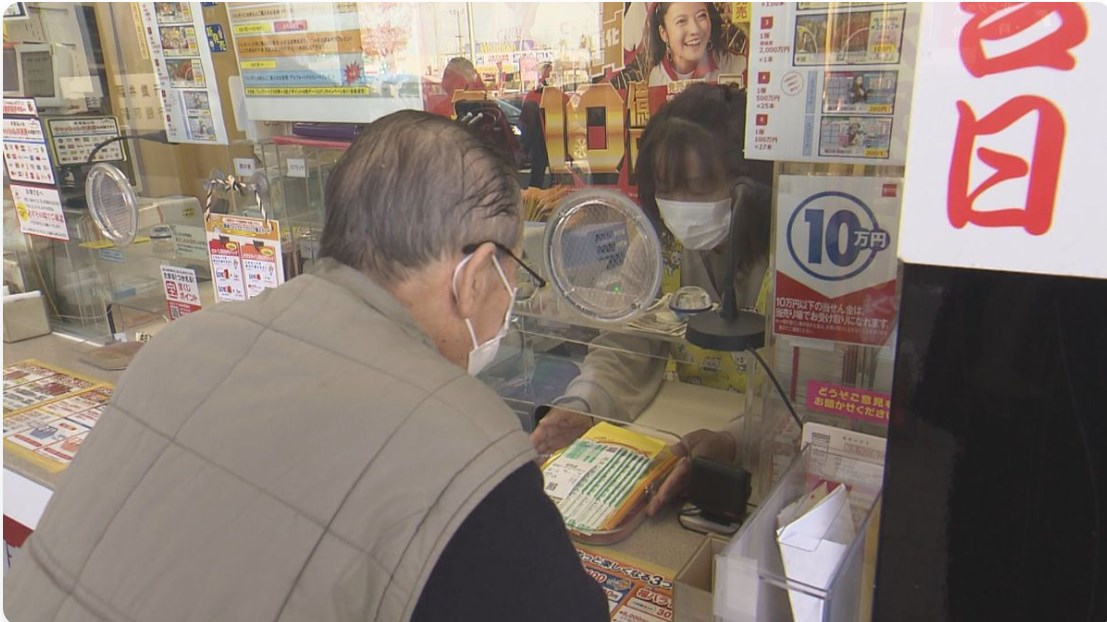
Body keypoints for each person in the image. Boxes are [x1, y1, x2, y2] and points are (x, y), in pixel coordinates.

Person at [5, 111, 608, 622]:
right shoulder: (465, 441)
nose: (510, 296)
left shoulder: (181, 343)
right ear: (474, 276)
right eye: (514, 274)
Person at [531, 83, 773, 517]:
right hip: (673, 434)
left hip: (766, 459)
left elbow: (804, 396)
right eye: (666, 188)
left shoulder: (787, 261)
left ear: (749, 185)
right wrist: (585, 405)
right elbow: (626, 343)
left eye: (697, 187)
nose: (680, 206)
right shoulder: (658, 246)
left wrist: (736, 441)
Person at [645, 2, 748, 87]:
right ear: (664, 33)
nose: (695, 29)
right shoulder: (657, 77)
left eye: (701, 16)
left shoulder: (738, 66)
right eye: (681, 21)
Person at [521, 62, 553, 188]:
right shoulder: (533, 96)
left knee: (545, 173)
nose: (549, 76)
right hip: (541, 140)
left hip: (550, 138)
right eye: (548, 73)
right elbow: (525, 124)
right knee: (539, 174)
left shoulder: (534, 96)